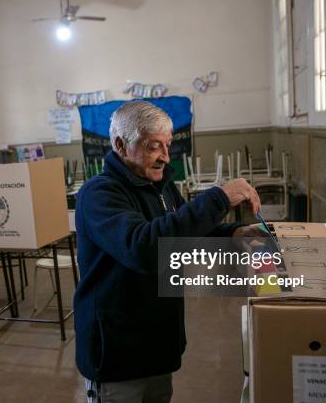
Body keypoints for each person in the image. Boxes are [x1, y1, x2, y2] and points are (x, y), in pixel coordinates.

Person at [74, 101, 263, 403]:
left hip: (157, 345)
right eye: (153, 147)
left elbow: (182, 231)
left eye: (168, 145)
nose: (165, 156)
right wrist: (219, 199)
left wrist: (234, 233)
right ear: (121, 145)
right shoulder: (100, 194)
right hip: (119, 351)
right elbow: (146, 248)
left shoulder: (160, 184)